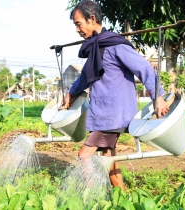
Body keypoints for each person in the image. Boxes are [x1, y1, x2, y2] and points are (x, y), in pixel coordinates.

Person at [62, 0, 169, 191]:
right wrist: (71, 93)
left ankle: (90, 195)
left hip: (113, 115)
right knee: (108, 157)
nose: (77, 30)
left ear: (92, 19)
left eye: (78, 24)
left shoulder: (116, 45)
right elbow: (86, 76)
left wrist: (157, 97)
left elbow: (143, 68)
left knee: (85, 155)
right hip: (104, 114)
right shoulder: (97, 47)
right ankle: (122, 196)